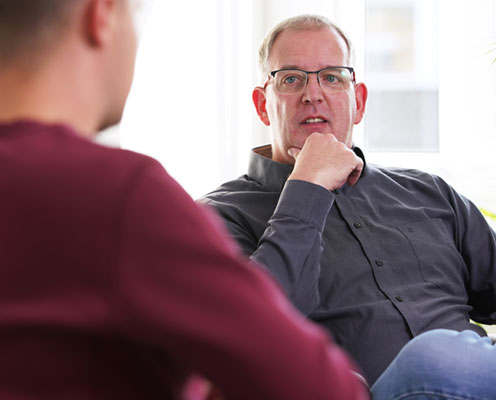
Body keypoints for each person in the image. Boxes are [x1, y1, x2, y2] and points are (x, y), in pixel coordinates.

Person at [202, 14, 496, 399]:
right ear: (261, 104)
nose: (313, 93)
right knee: (433, 355)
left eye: (332, 77)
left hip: (481, 387)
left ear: (358, 101)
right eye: (291, 79)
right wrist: (308, 187)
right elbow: (252, 329)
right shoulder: (218, 216)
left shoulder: (428, 193)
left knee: (448, 353)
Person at [0, 2, 371, 399]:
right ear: (102, 16)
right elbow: (313, 382)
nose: (314, 95)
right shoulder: (118, 194)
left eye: (331, 78)